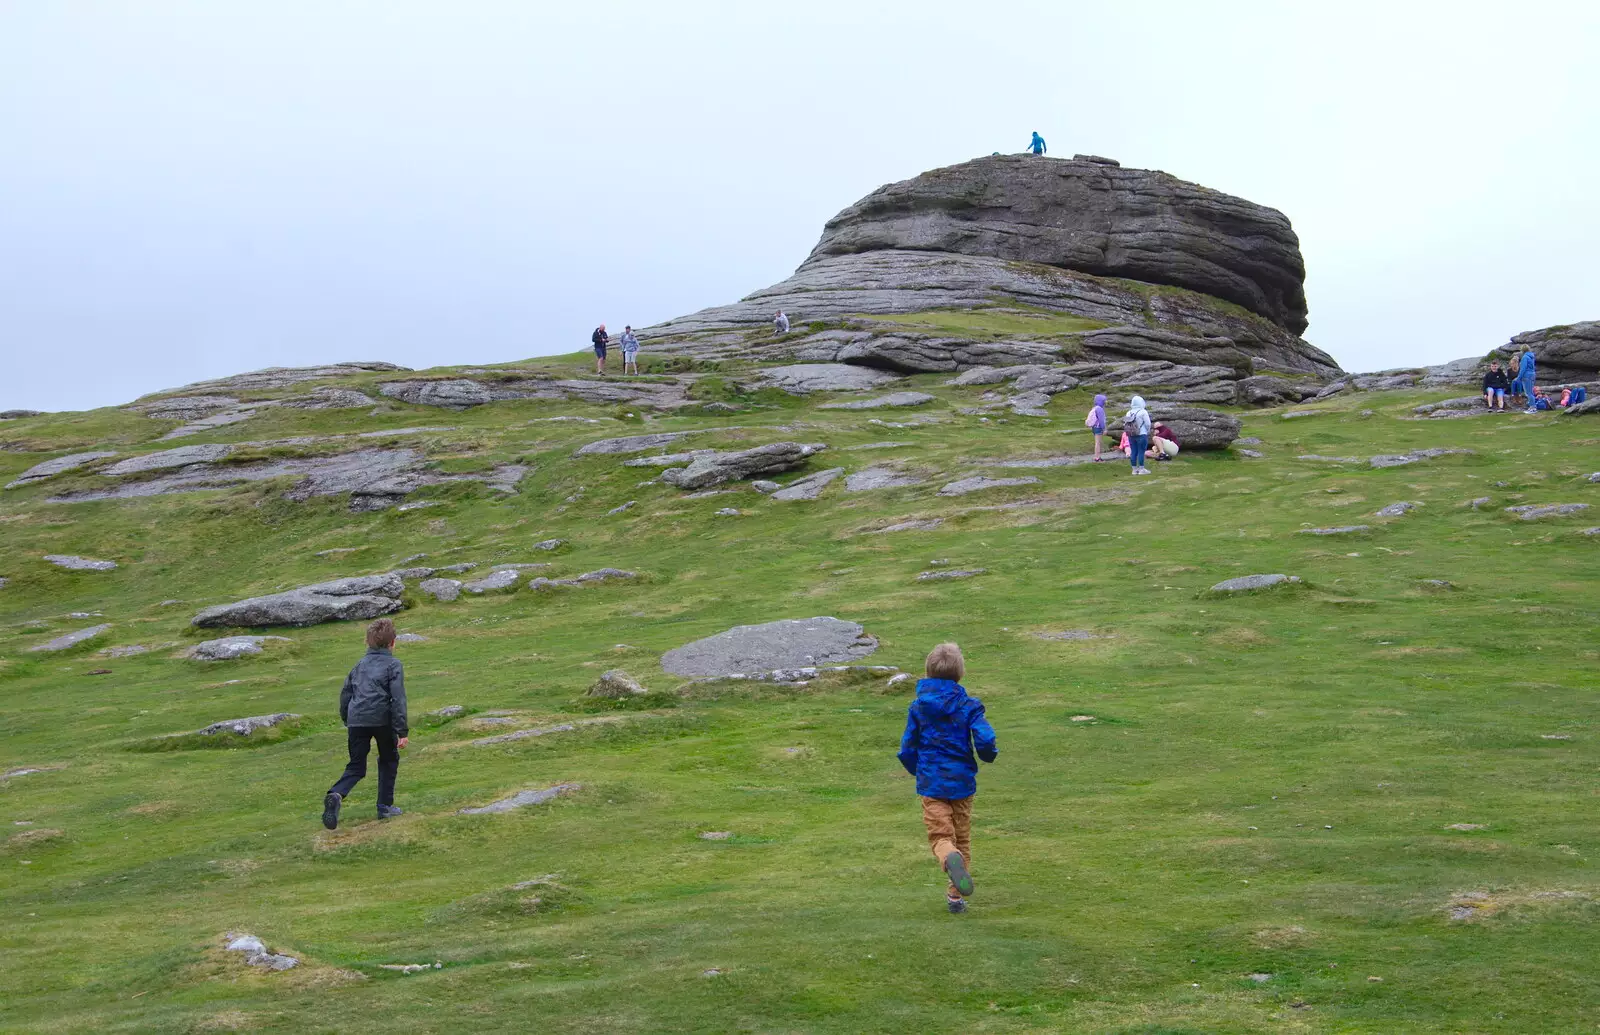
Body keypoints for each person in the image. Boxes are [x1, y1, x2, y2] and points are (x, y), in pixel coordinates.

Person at [897, 643, 997, 915]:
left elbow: (907, 747)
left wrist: (917, 770)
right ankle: (955, 898)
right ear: (960, 674)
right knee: (961, 837)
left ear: (928, 672)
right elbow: (986, 738)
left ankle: (947, 857)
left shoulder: (918, 708)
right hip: (962, 782)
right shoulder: (969, 706)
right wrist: (988, 755)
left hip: (931, 782)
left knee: (941, 835)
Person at [322, 618, 408, 830]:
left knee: (356, 765)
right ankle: (385, 807)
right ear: (393, 643)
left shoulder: (359, 665)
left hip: (357, 721)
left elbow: (346, 695)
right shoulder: (393, 665)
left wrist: (347, 719)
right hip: (382, 721)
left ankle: (336, 793)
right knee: (388, 760)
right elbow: (398, 699)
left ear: (367, 642)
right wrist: (401, 730)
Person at [1123, 395, 1152, 474]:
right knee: (1141, 451)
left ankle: (1134, 470)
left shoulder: (1129, 412)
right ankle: (1142, 469)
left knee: (1133, 451)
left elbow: (1125, 423)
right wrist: (1147, 431)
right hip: (1141, 434)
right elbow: (1148, 424)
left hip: (1131, 435)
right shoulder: (1143, 412)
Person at [1084, 393, 1107, 461]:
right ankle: (1097, 458)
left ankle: (1097, 456)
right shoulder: (1099, 409)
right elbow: (1101, 421)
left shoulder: (1095, 408)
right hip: (1098, 428)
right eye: (1104, 400)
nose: (1105, 402)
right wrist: (1104, 429)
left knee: (1098, 442)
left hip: (1094, 427)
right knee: (1098, 443)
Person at [1517, 349, 1537, 413]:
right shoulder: (1532, 357)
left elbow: (1523, 368)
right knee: (1530, 392)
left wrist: (1519, 377)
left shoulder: (1525, 357)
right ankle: (1532, 407)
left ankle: (1533, 408)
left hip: (1527, 376)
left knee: (1528, 393)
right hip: (1532, 375)